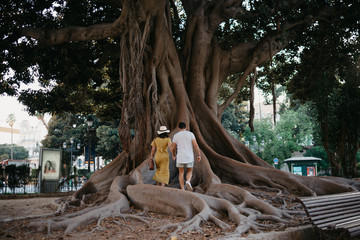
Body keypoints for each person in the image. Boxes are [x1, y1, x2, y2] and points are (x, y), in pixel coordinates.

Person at [172, 122, 201, 191]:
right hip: (189, 156)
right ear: (186, 127)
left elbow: (173, 148)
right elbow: (195, 145)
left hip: (180, 157)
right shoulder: (191, 134)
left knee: (181, 172)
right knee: (190, 171)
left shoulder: (176, 136)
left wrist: (174, 154)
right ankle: (188, 181)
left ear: (178, 128)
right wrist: (199, 154)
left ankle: (182, 189)